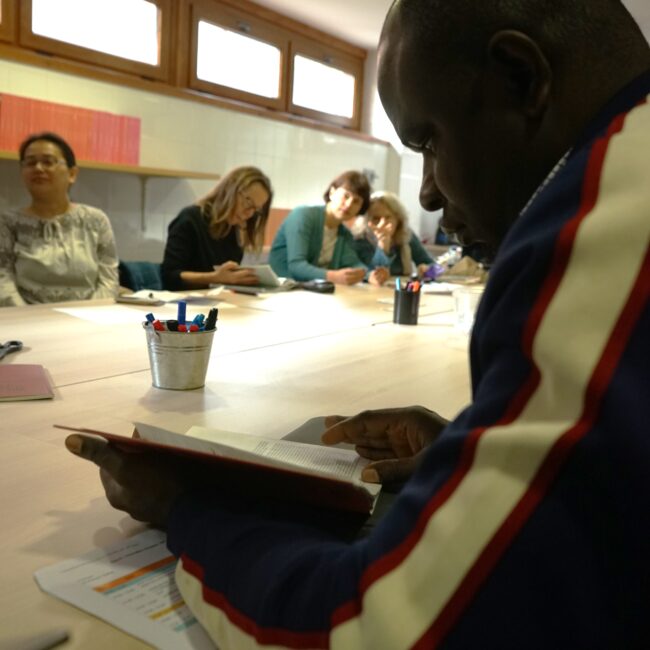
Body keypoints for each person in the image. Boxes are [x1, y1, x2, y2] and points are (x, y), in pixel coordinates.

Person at [65, 1, 650, 648]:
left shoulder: (606, 218)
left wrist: (187, 507)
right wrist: (480, 445)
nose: (427, 193)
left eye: (428, 142)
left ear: (520, 78)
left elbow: (386, 630)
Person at [0, 132, 118, 306]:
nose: (38, 168)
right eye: (30, 163)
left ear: (72, 174)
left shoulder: (96, 220)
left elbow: (108, 281)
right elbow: (3, 281)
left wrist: (89, 315)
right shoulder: (7, 222)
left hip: (89, 317)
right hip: (26, 318)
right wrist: (27, 317)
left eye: (48, 162)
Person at [161, 166, 272, 290]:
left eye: (256, 209)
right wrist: (215, 278)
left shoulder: (232, 228)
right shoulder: (190, 219)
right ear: (230, 190)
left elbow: (225, 279)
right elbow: (169, 276)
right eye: (248, 202)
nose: (249, 213)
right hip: (184, 300)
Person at [268, 170, 369, 285]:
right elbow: (296, 266)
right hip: (281, 288)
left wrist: (370, 275)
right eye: (346, 196)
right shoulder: (302, 215)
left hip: (313, 290)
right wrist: (333, 277)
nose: (349, 204)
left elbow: (354, 263)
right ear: (332, 193)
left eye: (356, 201)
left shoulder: (345, 233)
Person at [353, 191, 433, 285]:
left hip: (401, 289)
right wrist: (383, 247)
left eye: (388, 217)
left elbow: (435, 267)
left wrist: (427, 271)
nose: (382, 224)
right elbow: (369, 275)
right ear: (366, 220)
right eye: (376, 218)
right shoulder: (359, 239)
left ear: (398, 219)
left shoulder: (406, 235)